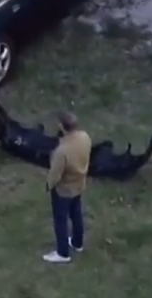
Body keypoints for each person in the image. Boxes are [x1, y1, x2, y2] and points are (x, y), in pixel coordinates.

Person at [44, 111, 91, 263]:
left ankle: (62, 253)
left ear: (62, 127)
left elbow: (55, 174)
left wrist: (48, 185)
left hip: (64, 190)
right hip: (79, 184)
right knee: (76, 214)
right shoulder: (85, 137)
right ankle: (77, 243)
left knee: (60, 220)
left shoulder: (62, 151)